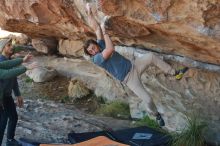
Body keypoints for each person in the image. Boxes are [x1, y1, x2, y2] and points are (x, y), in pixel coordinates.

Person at [83, 3, 188, 127]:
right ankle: (156, 115)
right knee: (148, 99)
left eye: (93, 48)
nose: (93, 51)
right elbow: (110, 48)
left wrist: (89, 12)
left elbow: (96, 29)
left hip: (134, 66)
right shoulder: (96, 59)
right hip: (129, 79)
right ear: (90, 54)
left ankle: (175, 73)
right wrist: (105, 32)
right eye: (90, 51)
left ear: (96, 45)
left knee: (151, 57)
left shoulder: (100, 45)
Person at [0, 38, 37, 146]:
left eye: (11, 44)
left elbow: (13, 77)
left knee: (13, 117)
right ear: (2, 48)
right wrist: (26, 67)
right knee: (2, 122)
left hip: (7, 96)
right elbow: (8, 73)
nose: (12, 47)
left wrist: (18, 94)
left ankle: (10, 140)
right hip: (2, 98)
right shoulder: (0, 60)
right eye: (8, 45)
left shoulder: (8, 60)